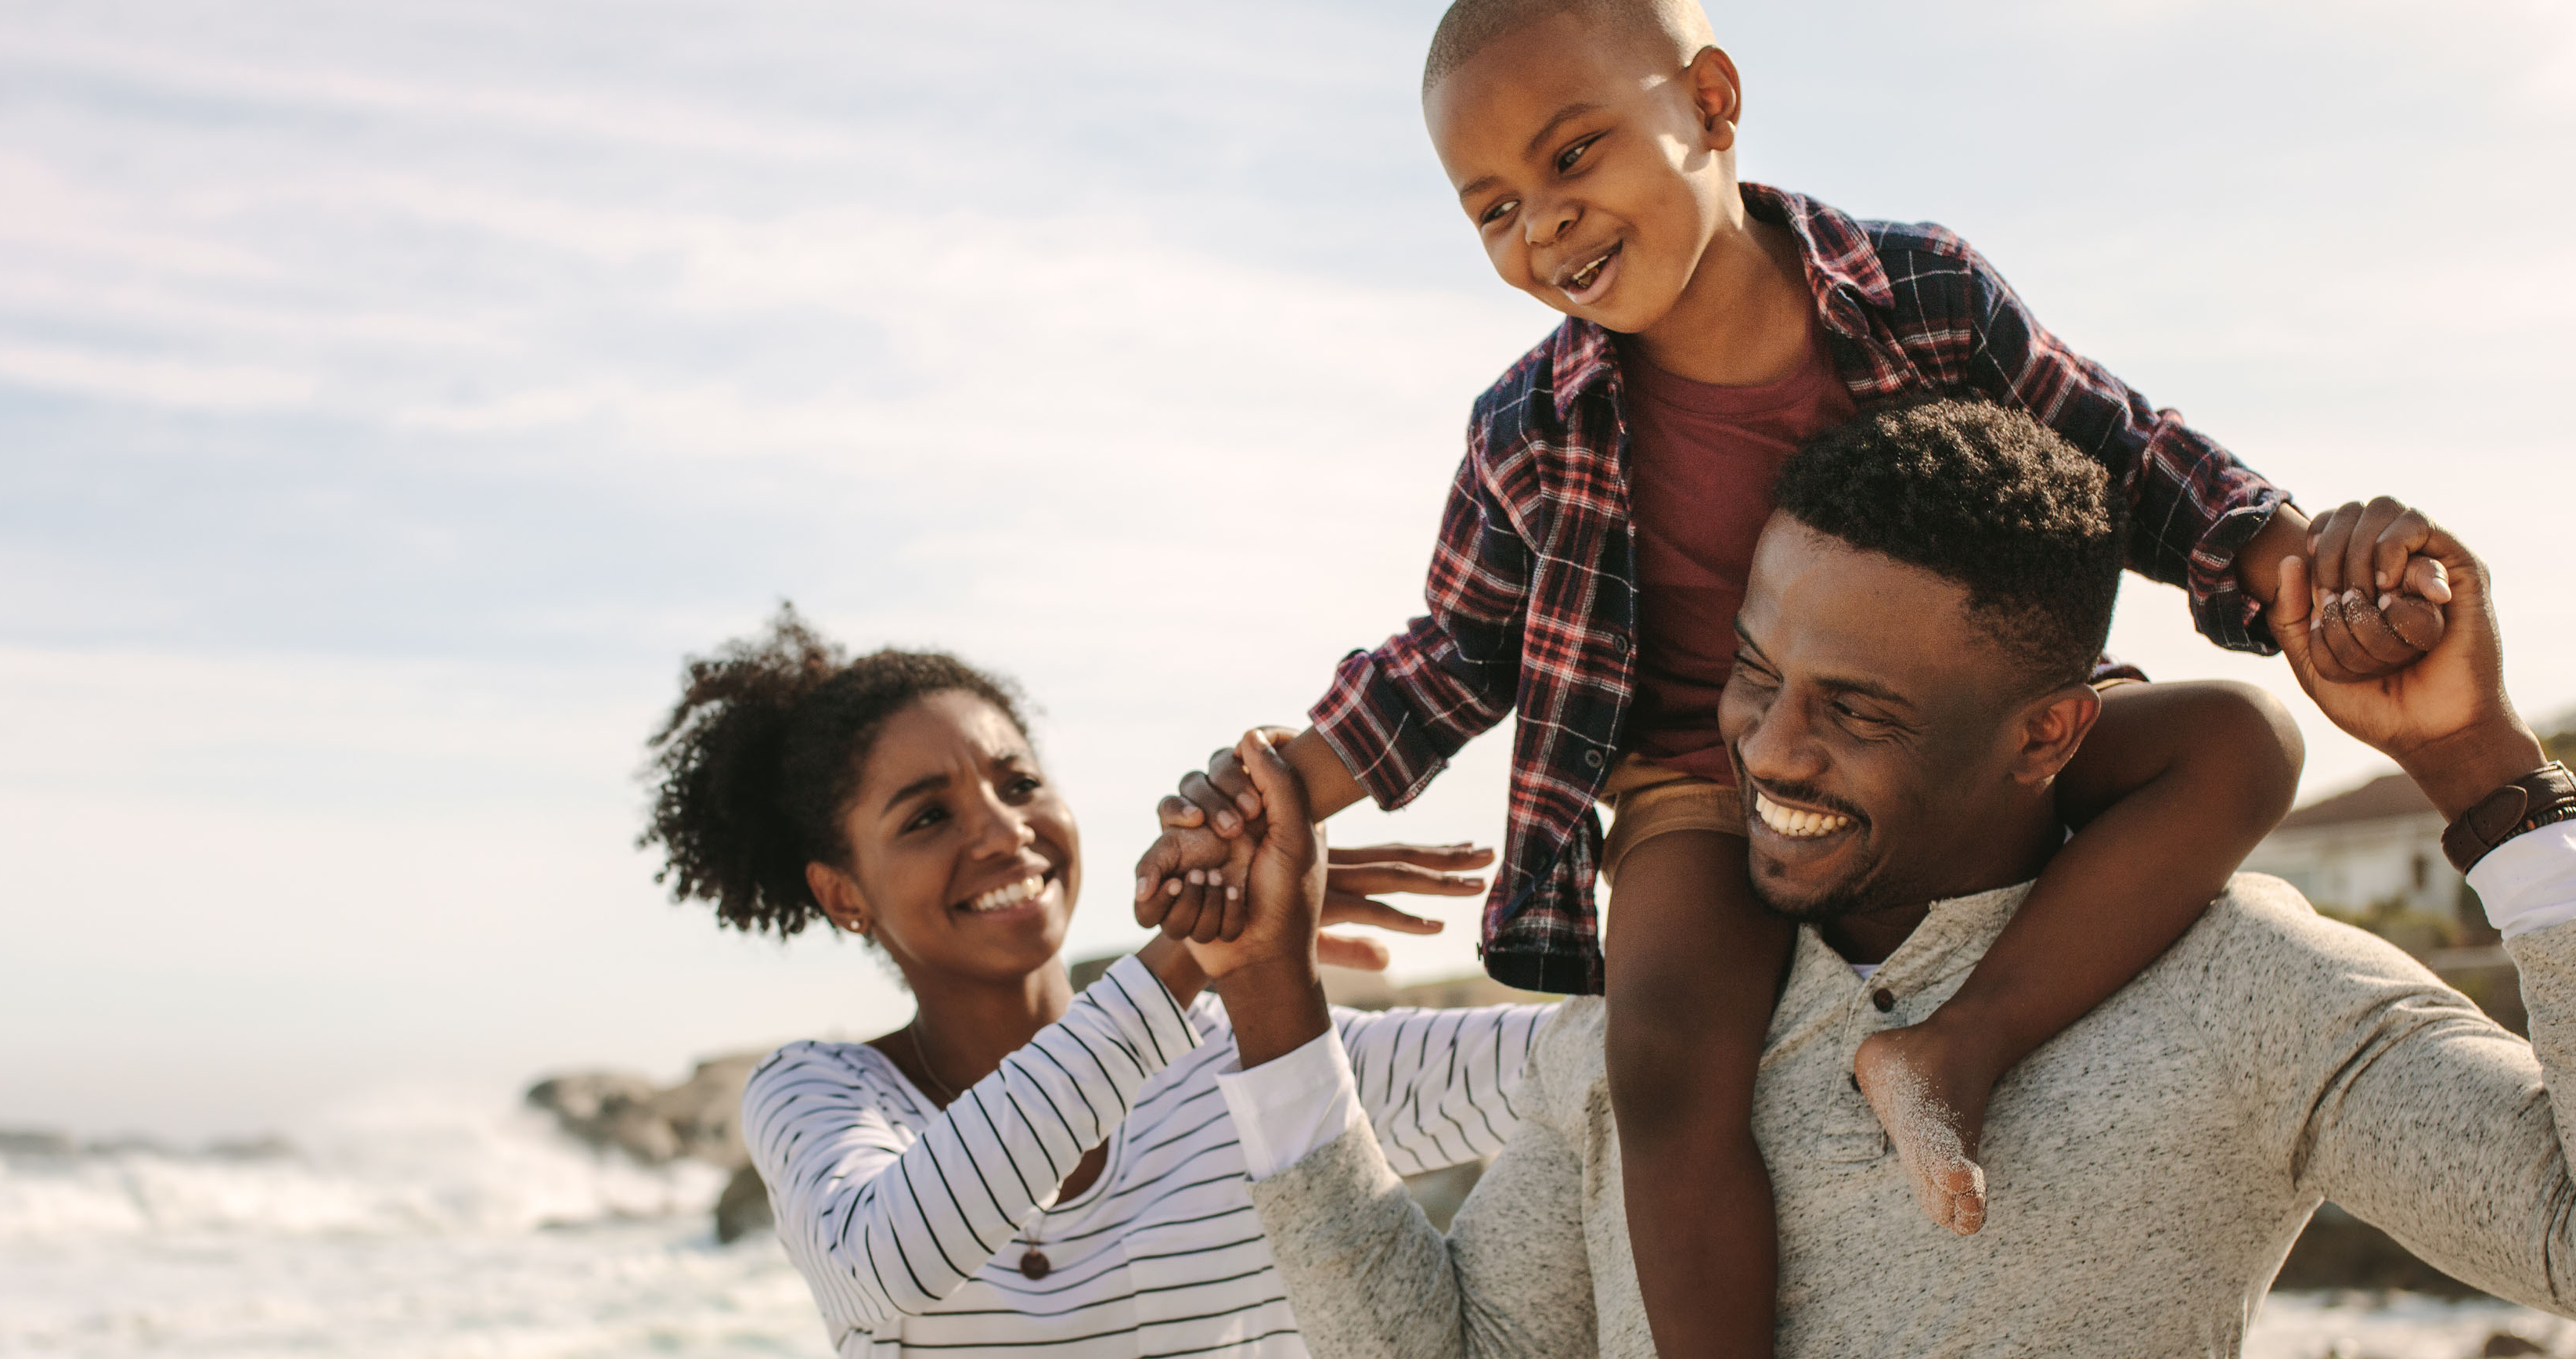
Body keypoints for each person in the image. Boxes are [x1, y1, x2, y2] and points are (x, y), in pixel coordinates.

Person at [1130, 2, 2445, 1352]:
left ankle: (1959, 1047)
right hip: (1702, 781)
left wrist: (2299, 563)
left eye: (1574, 155)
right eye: (1494, 209)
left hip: (1950, 736)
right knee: (1660, 1061)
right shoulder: (1528, 429)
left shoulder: (1921, 294)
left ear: (1711, 100)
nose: (1547, 226)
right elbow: (1455, 653)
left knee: (2240, 741)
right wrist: (1272, 788)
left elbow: (2122, 450)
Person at [1202, 398, 2576, 1356]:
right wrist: (1272, 1003)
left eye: (1859, 712)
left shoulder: (2249, 989)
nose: (1770, 752)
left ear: (2048, 731)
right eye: (1753, 673)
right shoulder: (1665, 1020)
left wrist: (2481, 773)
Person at [636, 611, 1547, 1359]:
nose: (1004, 831)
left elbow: (1592, 1067)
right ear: (842, 893)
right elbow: (882, 1260)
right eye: (926, 815)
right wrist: (1205, 937)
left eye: (1019, 781)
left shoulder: (1265, 1058)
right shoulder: (819, 1090)